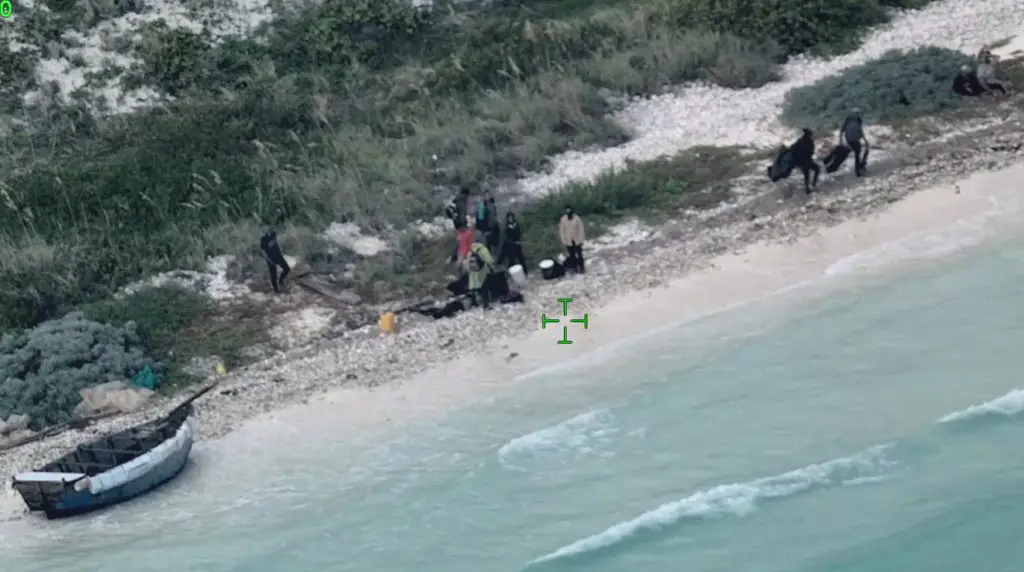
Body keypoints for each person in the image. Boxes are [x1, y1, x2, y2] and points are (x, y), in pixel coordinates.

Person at [838, 108, 869, 177]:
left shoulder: (849, 119)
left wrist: (841, 140)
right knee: (858, 153)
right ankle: (859, 167)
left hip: (851, 140)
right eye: (857, 114)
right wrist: (865, 140)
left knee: (858, 152)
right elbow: (860, 131)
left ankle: (860, 166)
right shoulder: (854, 120)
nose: (857, 115)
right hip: (852, 140)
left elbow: (842, 130)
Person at [259, 227, 290, 293]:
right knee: (273, 275)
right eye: (265, 228)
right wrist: (268, 260)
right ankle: (276, 290)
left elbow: (276, 230)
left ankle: (281, 280)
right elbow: (263, 251)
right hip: (270, 258)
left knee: (287, 268)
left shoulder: (273, 234)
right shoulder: (263, 239)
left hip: (278, 256)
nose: (267, 229)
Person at [788, 128, 820, 193]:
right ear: (809, 134)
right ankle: (813, 185)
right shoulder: (810, 141)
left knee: (806, 175)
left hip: (798, 161)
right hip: (806, 161)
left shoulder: (800, 140)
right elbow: (811, 153)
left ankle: (807, 187)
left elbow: (792, 148)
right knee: (817, 169)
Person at [466, 241, 494, 310]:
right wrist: (492, 269)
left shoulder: (470, 250)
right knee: (485, 287)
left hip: (473, 272)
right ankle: (486, 305)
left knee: (475, 287)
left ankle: (474, 302)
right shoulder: (483, 249)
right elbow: (489, 260)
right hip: (482, 271)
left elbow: (467, 264)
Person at [559, 206, 586, 274]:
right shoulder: (563, 219)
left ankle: (582, 267)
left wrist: (581, 240)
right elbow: (562, 231)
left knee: (579, 254)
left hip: (577, 239)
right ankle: (575, 268)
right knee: (572, 255)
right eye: (567, 211)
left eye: (569, 211)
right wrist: (564, 240)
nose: (568, 213)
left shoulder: (577, 219)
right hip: (568, 241)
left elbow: (581, 230)